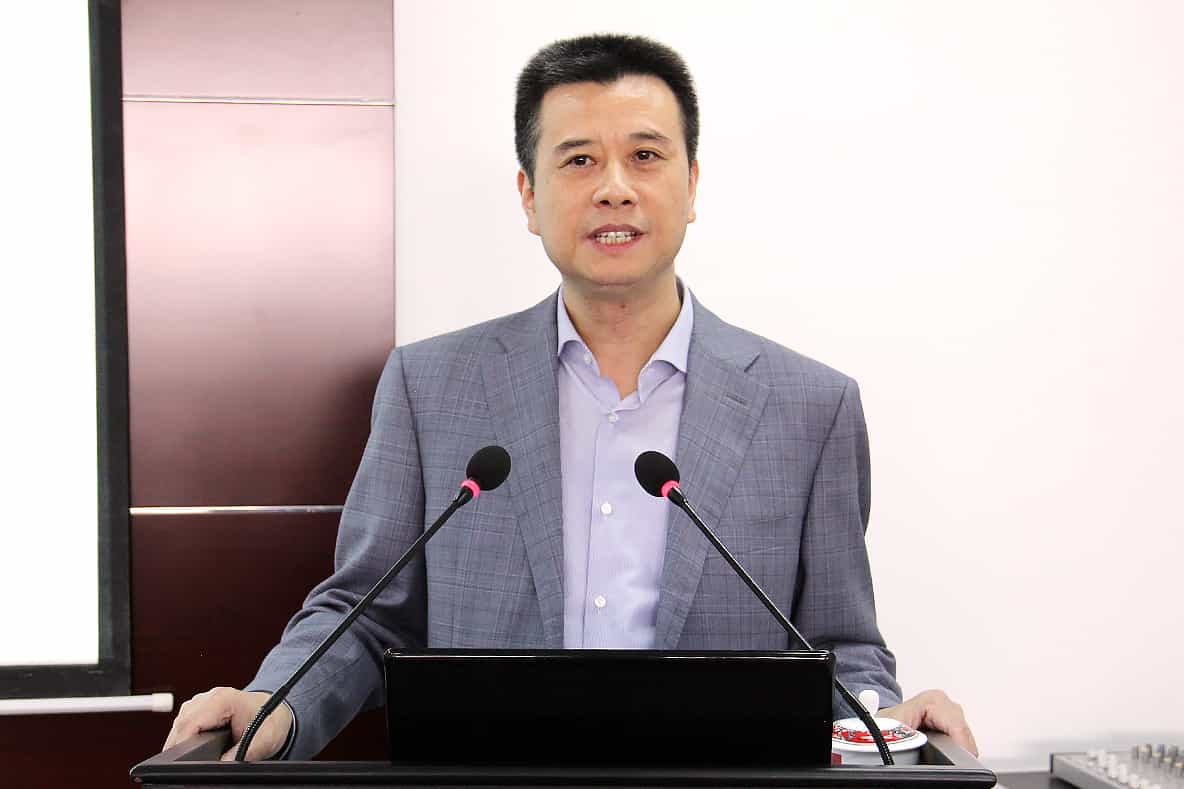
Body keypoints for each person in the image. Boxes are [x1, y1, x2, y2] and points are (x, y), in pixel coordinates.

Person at [164, 34, 978, 762]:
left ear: (692, 185)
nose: (615, 188)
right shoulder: (429, 388)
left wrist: (886, 724)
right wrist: (278, 700)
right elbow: (368, 611)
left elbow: (840, 646)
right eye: (579, 160)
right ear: (528, 195)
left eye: (646, 156)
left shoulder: (810, 408)